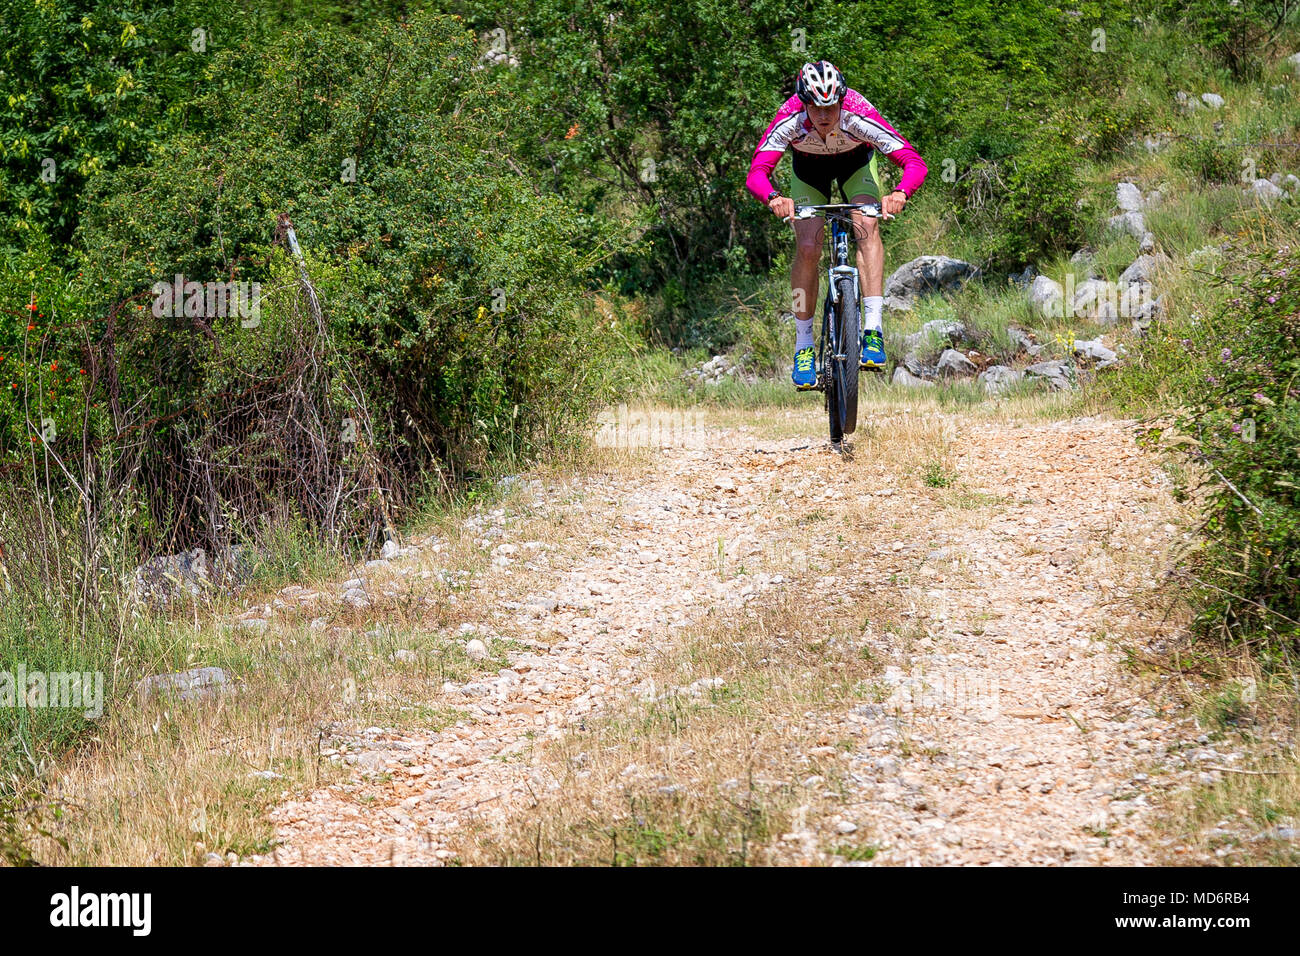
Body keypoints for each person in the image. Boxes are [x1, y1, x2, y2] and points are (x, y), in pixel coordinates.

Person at [746, 60, 928, 388]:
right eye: (816, 108)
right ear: (804, 103)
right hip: (809, 172)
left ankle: (872, 331)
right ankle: (803, 346)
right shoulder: (790, 117)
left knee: (867, 225)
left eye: (831, 106)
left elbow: (914, 163)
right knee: (807, 247)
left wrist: (900, 192)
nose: (825, 115)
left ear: (841, 100)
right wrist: (774, 197)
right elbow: (757, 173)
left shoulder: (858, 113)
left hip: (855, 166)